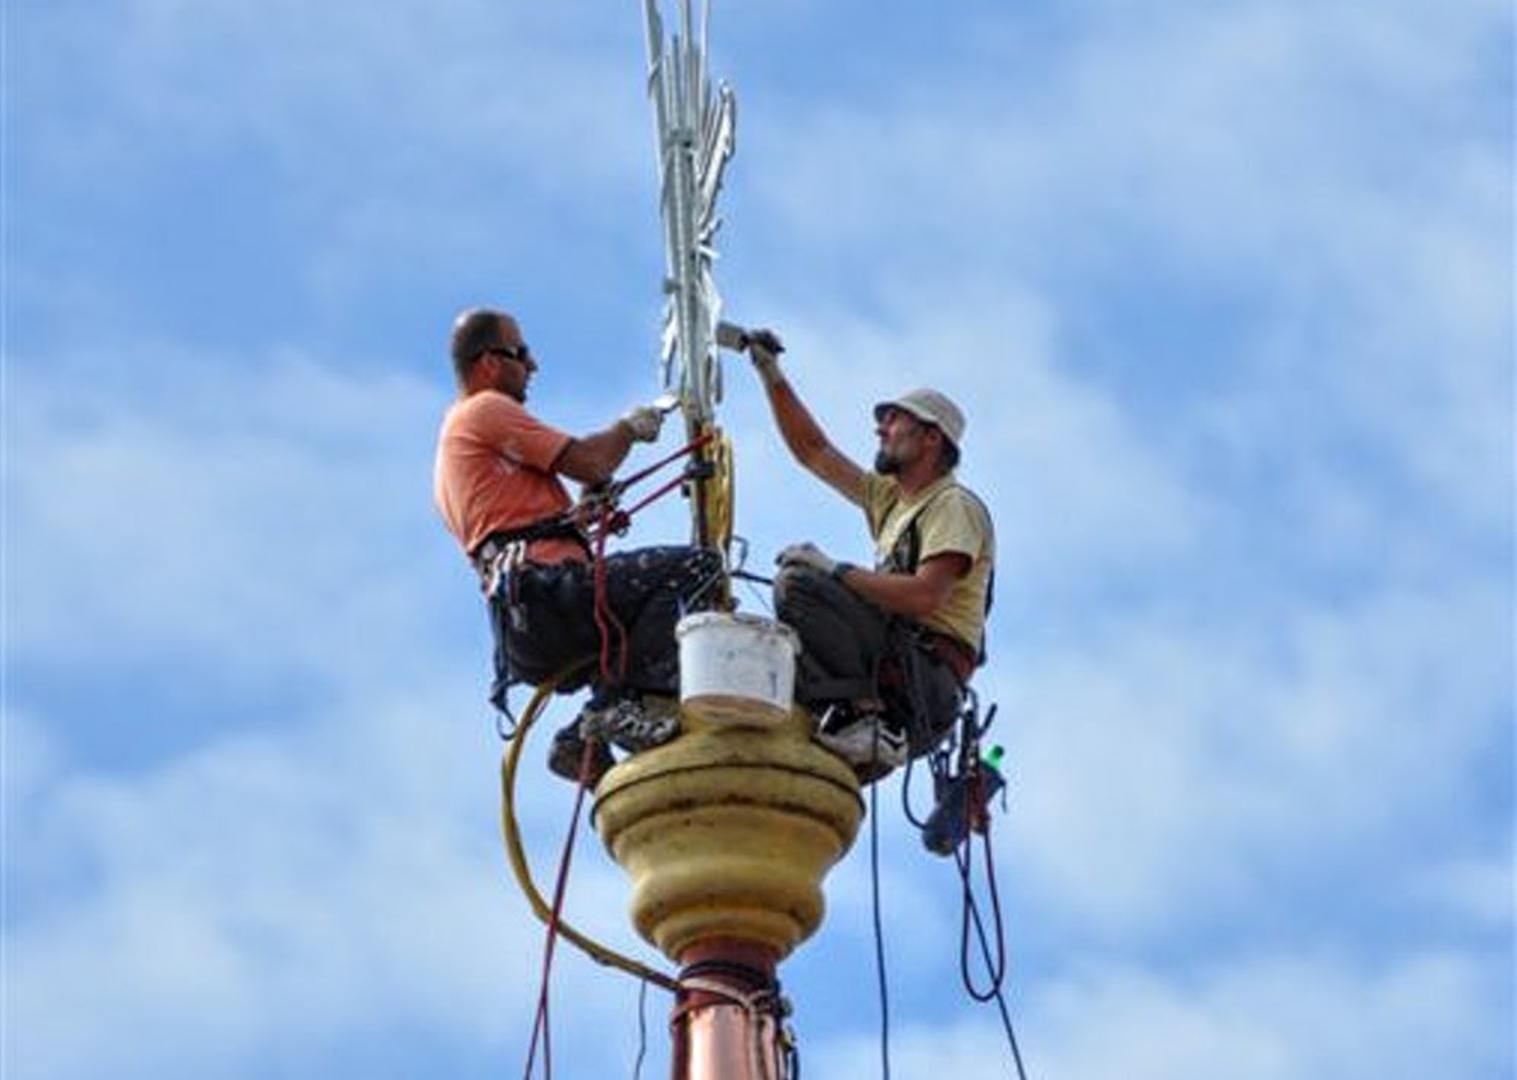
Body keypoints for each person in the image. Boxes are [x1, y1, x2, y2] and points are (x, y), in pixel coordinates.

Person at [433, 307, 722, 784]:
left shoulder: (457, 448)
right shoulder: (484, 411)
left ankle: (582, 736)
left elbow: (531, 521)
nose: (533, 365)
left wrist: (587, 506)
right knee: (696, 569)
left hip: (528, 622)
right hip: (549, 597)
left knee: (644, 613)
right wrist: (628, 428)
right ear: (488, 363)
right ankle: (619, 704)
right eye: (520, 353)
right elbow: (591, 461)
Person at [742, 330, 994, 779]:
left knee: (799, 586)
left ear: (932, 438)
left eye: (895, 420)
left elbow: (923, 597)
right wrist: (771, 374)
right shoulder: (892, 502)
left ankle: (868, 717)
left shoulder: (953, 506)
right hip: (898, 667)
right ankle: (856, 718)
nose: (881, 429)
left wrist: (835, 571)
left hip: (925, 679)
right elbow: (814, 452)